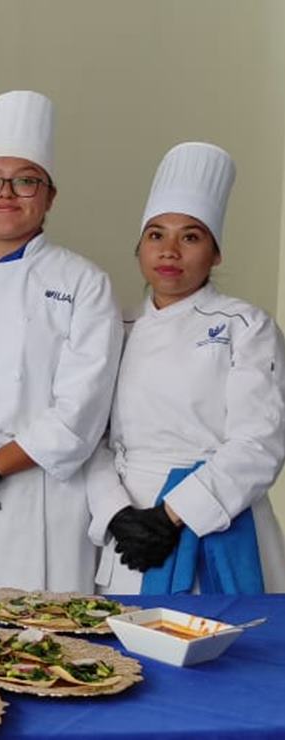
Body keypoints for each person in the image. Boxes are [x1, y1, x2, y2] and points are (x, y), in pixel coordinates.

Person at [0, 90, 122, 592]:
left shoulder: (84, 282)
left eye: (25, 180)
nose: (5, 193)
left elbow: (82, 410)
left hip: (41, 494)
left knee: (41, 646)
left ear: (50, 196)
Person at [86, 142, 285, 594]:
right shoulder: (117, 328)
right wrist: (118, 512)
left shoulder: (247, 326)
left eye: (190, 237)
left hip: (217, 518)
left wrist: (171, 515)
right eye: (156, 235)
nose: (170, 251)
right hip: (131, 531)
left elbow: (259, 444)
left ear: (215, 253)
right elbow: (90, 436)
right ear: (139, 247)